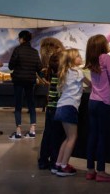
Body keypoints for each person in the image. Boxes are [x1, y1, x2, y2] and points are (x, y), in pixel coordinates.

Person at [84, 27, 110, 182]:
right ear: (103, 48)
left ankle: (90, 170)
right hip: (103, 103)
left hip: (92, 102)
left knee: (92, 136)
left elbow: (98, 44)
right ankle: (101, 172)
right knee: (102, 137)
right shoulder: (105, 58)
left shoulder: (93, 57)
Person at [52, 48, 91, 177]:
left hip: (61, 107)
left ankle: (58, 164)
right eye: (78, 56)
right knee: (73, 137)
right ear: (73, 60)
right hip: (70, 108)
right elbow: (90, 84)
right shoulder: (78, 72)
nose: (81, 58)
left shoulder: (66, 72)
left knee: (67, 138)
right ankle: (64, 166)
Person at [8, 30, 43, 140]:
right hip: (30, 81)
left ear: (22, 39)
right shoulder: (34, 52)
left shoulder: (17, 50)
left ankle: (18, 132)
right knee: (31, 104)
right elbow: (39, 67)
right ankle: (32, 130)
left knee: (18, 105)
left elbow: (10, 66)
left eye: (19, 38)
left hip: (18, 80)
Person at [38, 37, 65, 170]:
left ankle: (43, 160)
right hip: (56, 107)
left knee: (48, 133)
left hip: (50, 106)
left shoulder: (50, 70)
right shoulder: (59, 71)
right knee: (55, 135)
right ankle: (55, 161)